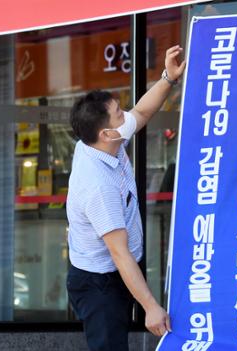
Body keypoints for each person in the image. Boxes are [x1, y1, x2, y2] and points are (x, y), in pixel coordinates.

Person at [66, 45, 186, 351]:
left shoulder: (105, 139)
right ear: (106, 133)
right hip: (99, 282)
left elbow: (142, 113)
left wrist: (168, 79)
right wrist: (151, 307)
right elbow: (119, 254)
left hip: (119, 268)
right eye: (119, 114)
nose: (126, 115)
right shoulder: (97, 185)